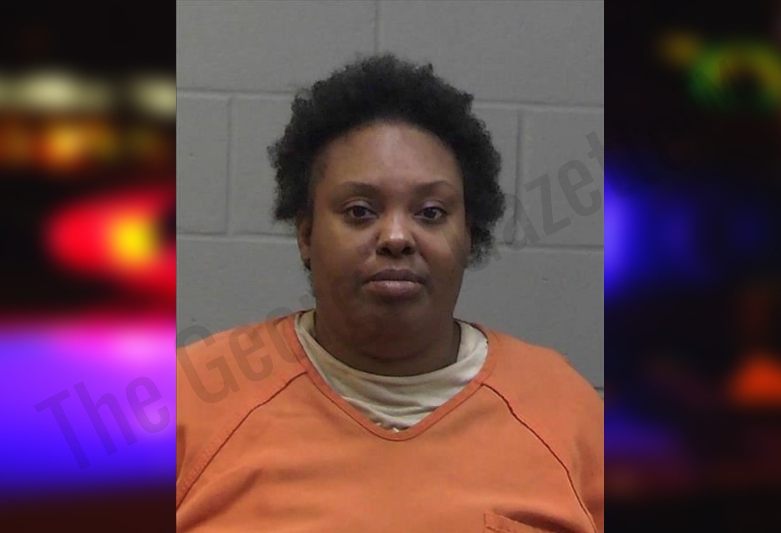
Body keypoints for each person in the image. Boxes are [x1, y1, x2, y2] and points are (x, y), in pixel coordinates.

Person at [176, 54, 603, 533]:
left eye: (431, 212)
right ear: (306, 233)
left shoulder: (566, 412)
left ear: (469, 235)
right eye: (360, 211)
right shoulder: (190, 401)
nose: (396, 237)